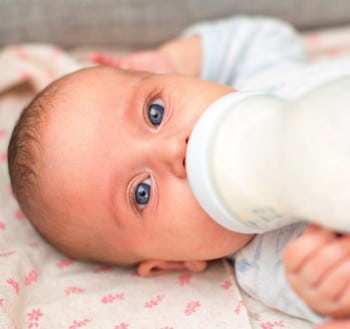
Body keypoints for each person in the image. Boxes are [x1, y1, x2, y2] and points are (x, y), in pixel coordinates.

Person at [7, 15, 350, 326]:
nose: (174, 150)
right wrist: (328, 290)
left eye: (155, 112)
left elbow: (265, 39)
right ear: (171, 262)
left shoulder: (259, 80)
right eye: (142, 192)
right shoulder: (276, 266)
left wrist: (176, 57)